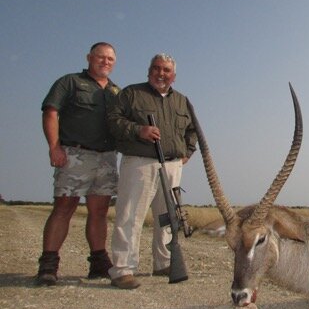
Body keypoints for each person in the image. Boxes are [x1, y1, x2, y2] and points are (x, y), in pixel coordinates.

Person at [107, 53, 197, 289]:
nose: (161, 73)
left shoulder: (182, 101)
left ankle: (164, 262)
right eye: (156, 68)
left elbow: (192, 129)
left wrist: (187, 151)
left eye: (166, 70)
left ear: (173, 76)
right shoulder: (131, 94)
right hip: (139, 163)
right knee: (130, 215)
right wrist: (139, 130)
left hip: (173, 165)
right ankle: (123, 269)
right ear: (149, 71)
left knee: (168, 217)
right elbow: (113, 120)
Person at [37, 42, 119, 286]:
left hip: (106, 157)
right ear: (89, 58)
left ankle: (98, 263)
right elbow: (51, 112)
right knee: (64, 208)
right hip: (74, 154)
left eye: (110, 59)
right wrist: (54, 146)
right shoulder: (70, 82)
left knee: (100, 212)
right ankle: (48, 265)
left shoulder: (116, 91)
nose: (105, 62)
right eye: (100, 57)